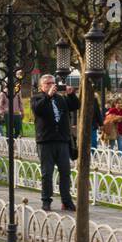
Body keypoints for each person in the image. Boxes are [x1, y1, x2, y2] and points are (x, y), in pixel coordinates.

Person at [31, 74, 79, 211]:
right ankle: (46, 200)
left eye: (53, 83)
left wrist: (71, 95)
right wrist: (48, 96)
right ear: (41, 86)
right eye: (47, 83)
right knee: (47, 173)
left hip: (62, 140)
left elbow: (75, 105)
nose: (51, 85)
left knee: (65, 172)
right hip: (45, 141)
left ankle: (66, 200)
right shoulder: (37, 98)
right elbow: (38, 110)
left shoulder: (60, 98)